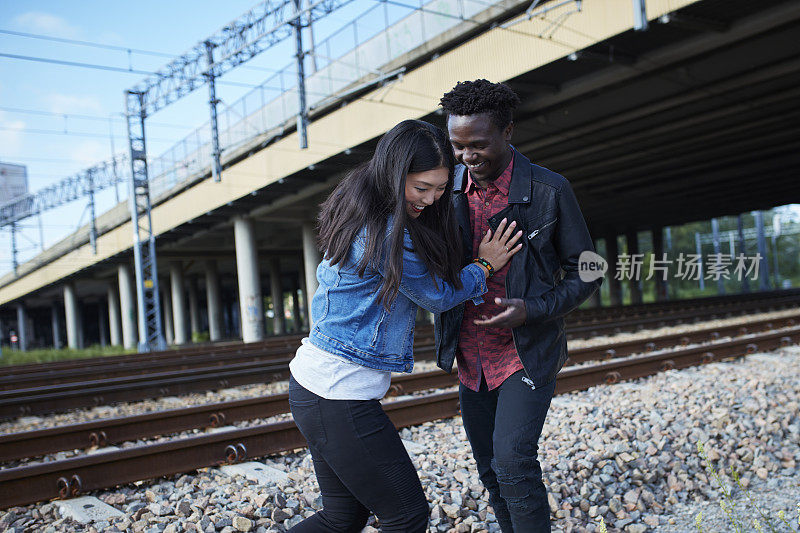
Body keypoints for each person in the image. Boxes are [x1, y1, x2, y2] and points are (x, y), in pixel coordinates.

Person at [288, 119, 523, 532]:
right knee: (406, 516)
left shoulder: (363, 199)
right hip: (337, 392)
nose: (432, 199)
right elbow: (437, 295)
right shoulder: (383, 230)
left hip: (317, 385)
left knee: (342, 518)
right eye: (421, 188)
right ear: (396, 176)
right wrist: (484, 264)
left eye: (440, 187)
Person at [435, 80, 602, 532]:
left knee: (512, 463)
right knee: (490, 468)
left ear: (508, 131)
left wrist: (532, 308)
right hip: (470, 356)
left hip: (525, 352)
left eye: (479, 145)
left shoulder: (550, 190)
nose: (468, 156)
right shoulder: (444, 191)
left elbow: (588, 268)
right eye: (457, 146)